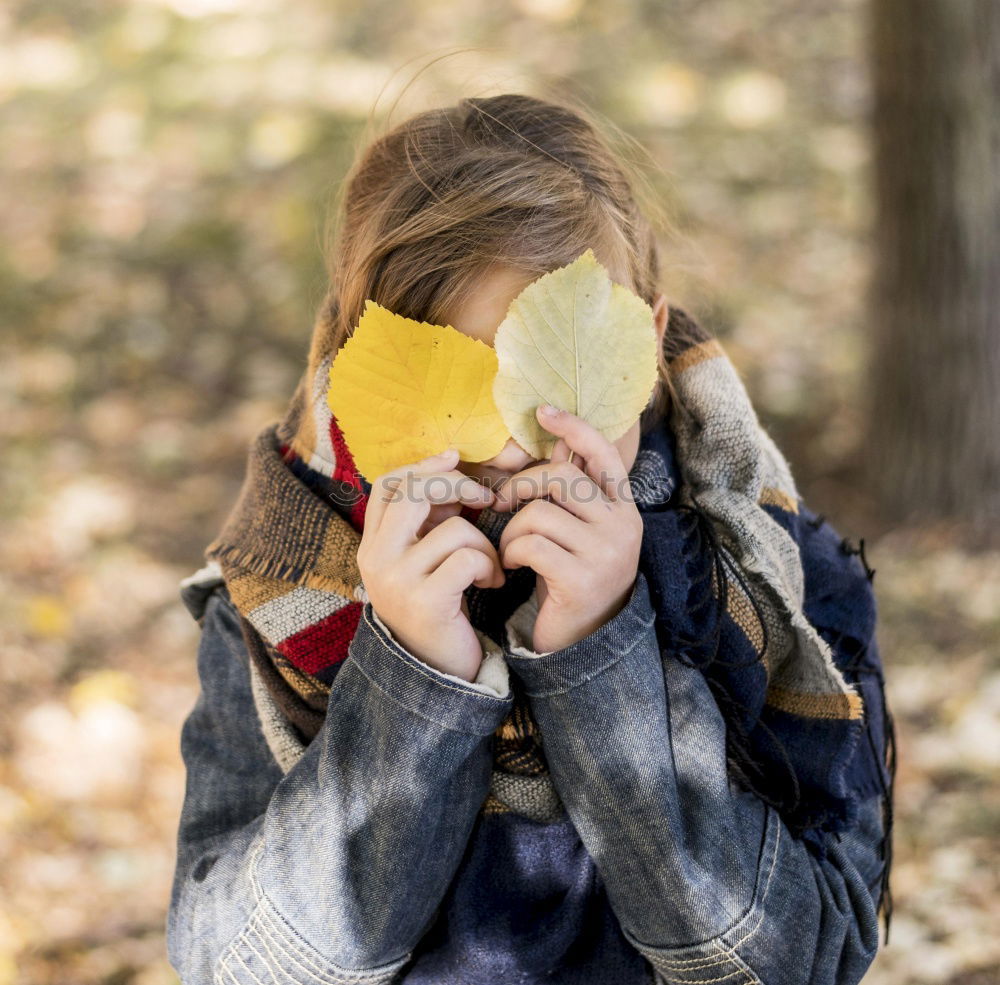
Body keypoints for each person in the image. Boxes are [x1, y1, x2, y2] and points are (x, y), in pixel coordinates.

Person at [166, 93, 895, 985]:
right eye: (461, 389)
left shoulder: (778, 580)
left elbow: (807, 962)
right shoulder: (276, 596)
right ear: (370, 372)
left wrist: (605, 661)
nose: (512, 451)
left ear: (646, 344)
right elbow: (234, 969)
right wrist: (410, 683)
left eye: (548, 388)